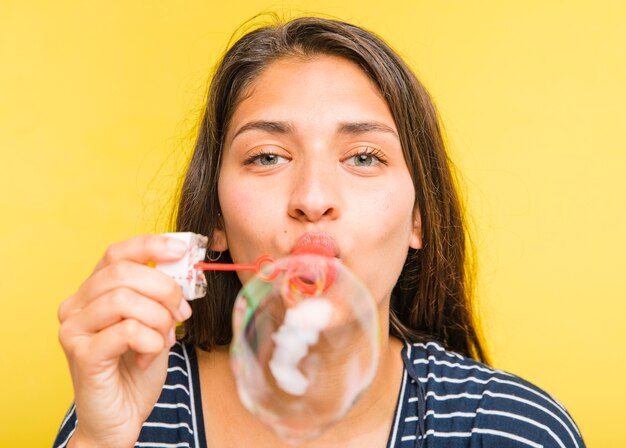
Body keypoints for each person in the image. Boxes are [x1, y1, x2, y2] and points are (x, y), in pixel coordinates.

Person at [54, 16, 585, 448]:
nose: (312, 199)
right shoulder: (130, 411)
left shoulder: (512, 431)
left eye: (363, 157)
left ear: (419, 219)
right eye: (266, 156)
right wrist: (101, 440)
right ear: (215, 222)